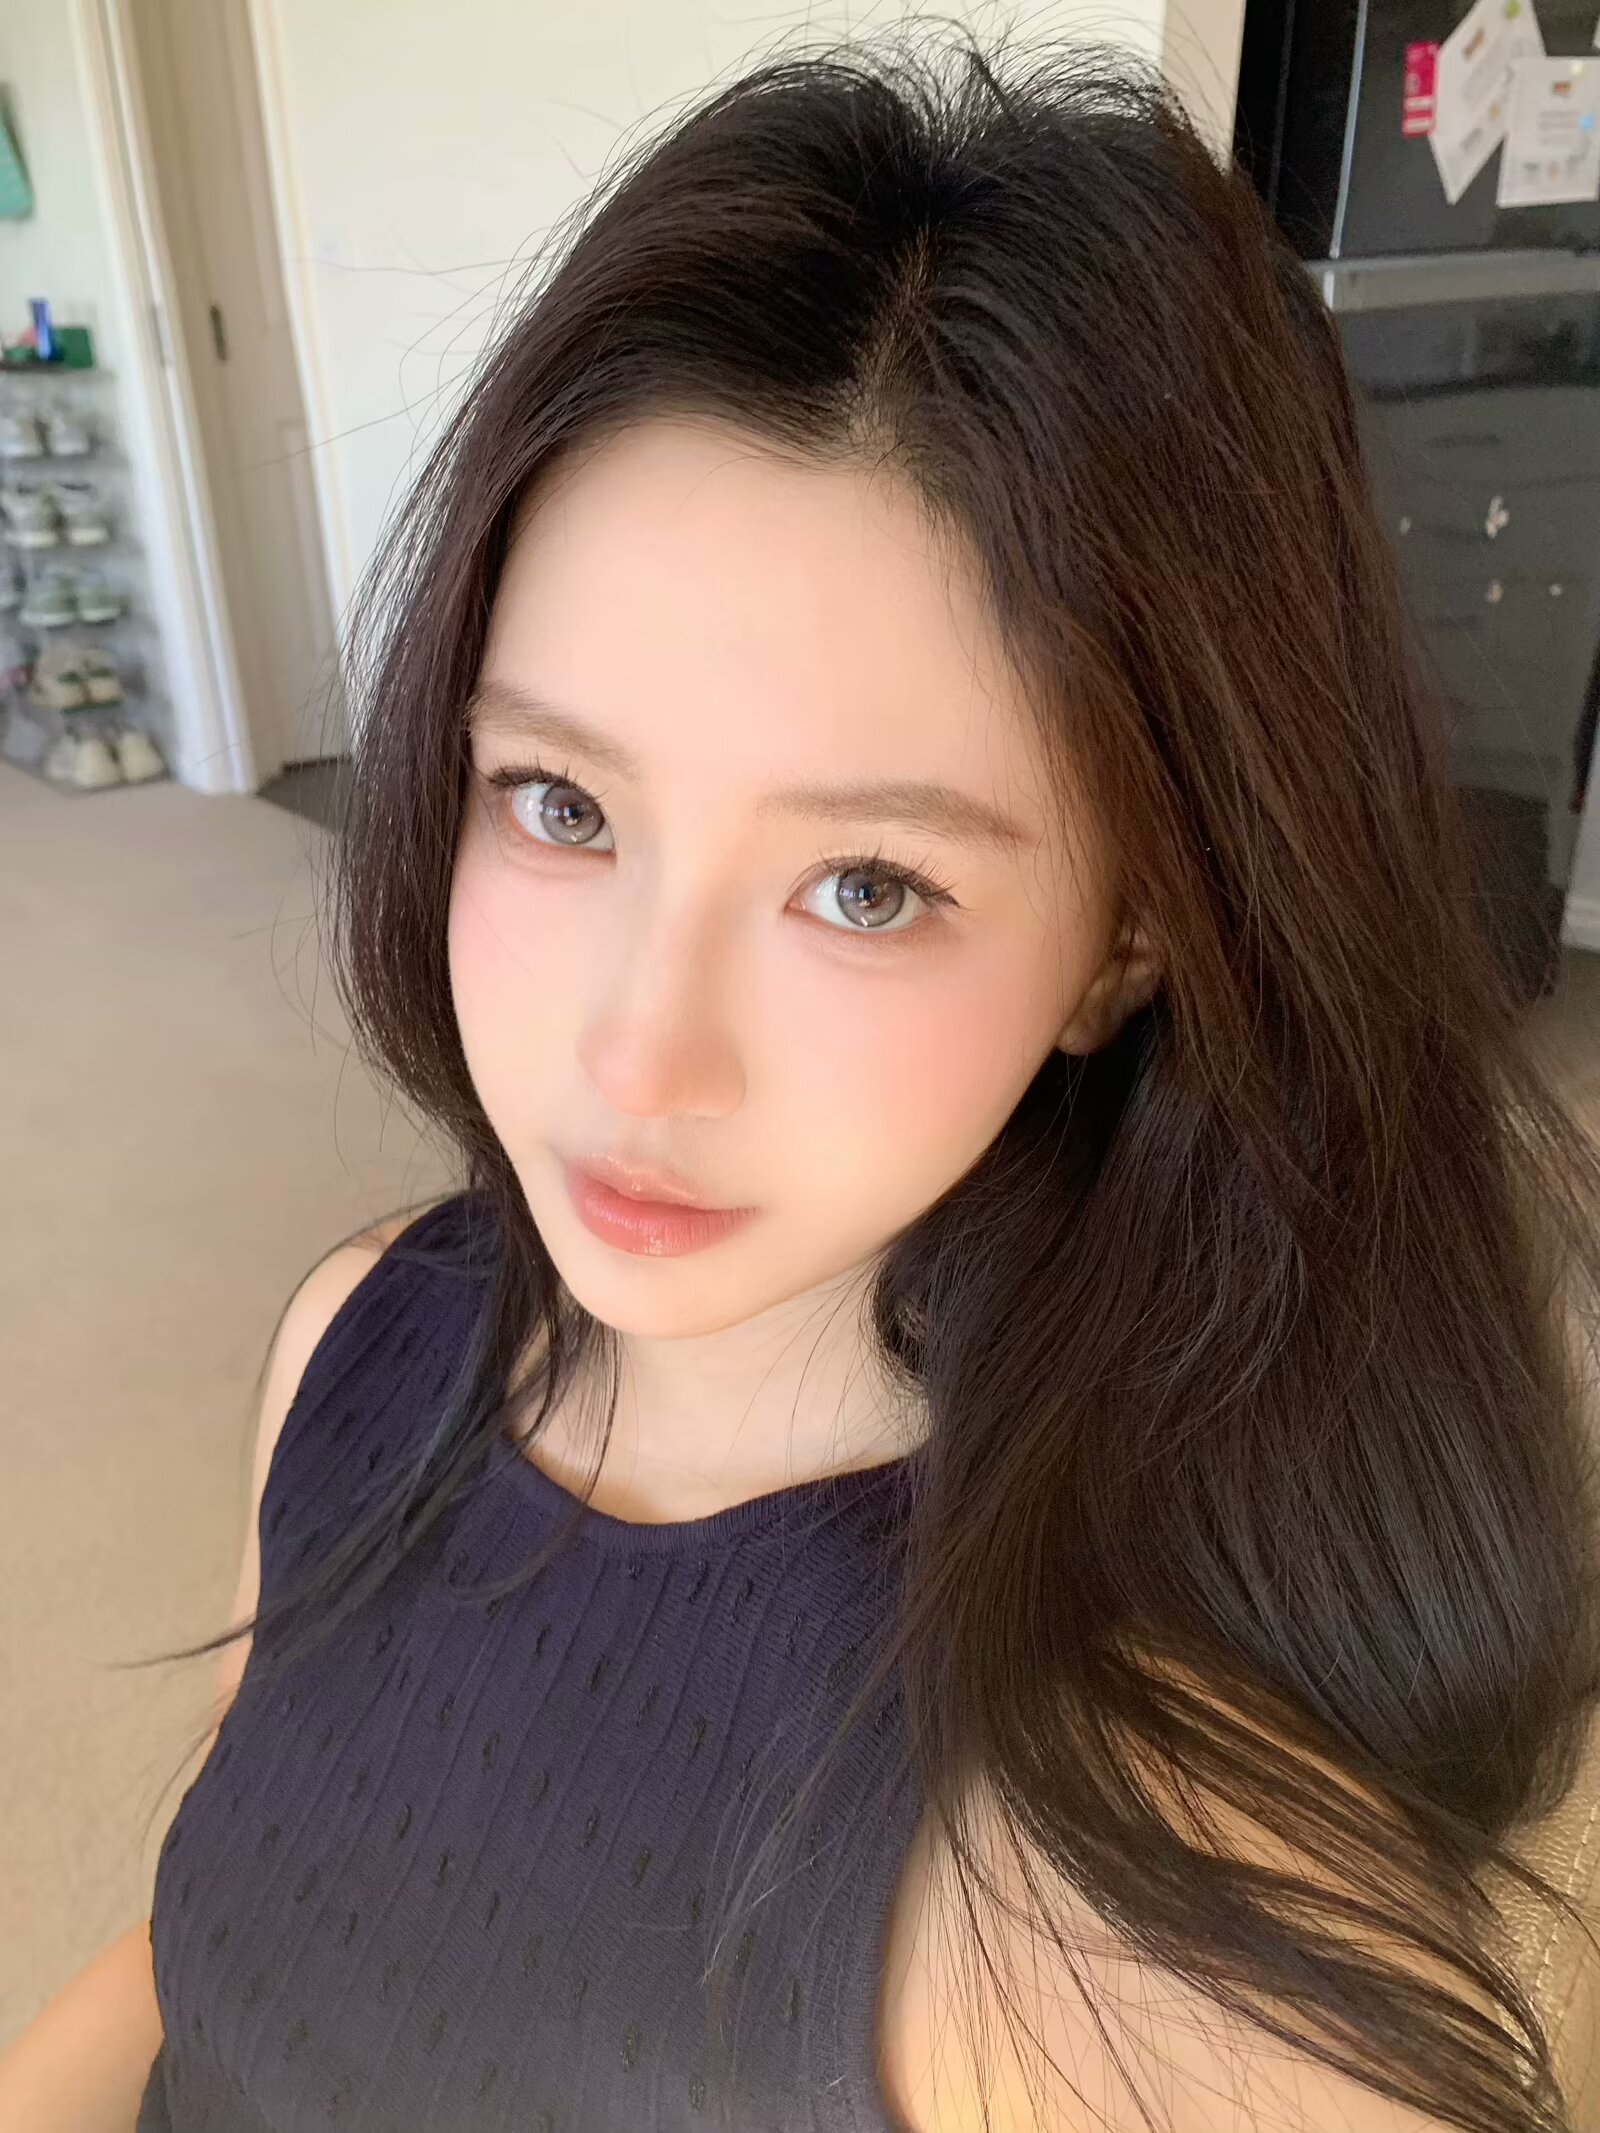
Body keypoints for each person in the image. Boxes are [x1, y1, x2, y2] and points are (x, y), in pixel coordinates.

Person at [4, 25, 1599, 2133]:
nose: (632, 1050)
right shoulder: (358, 1334)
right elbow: (192, 1953)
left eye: (866, 885)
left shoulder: (1123, 1906)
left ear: (1126, 940)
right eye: (559, 800)